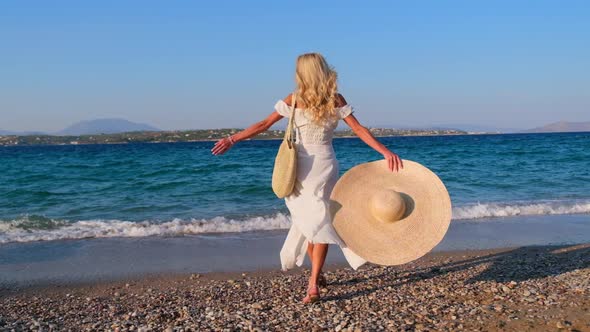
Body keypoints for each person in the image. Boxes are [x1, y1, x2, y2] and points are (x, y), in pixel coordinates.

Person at [211, 52, 403, 303]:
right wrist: (384, 151)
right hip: (317, 166)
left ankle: (313, 284)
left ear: (302, 73)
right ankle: (317, 274)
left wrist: (231, 139)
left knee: (319, 222)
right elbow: (358, 129)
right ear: (322, 70)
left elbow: (263, 124)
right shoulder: (334, 99)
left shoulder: (295, 99)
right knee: (310, 222)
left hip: (305, 168)